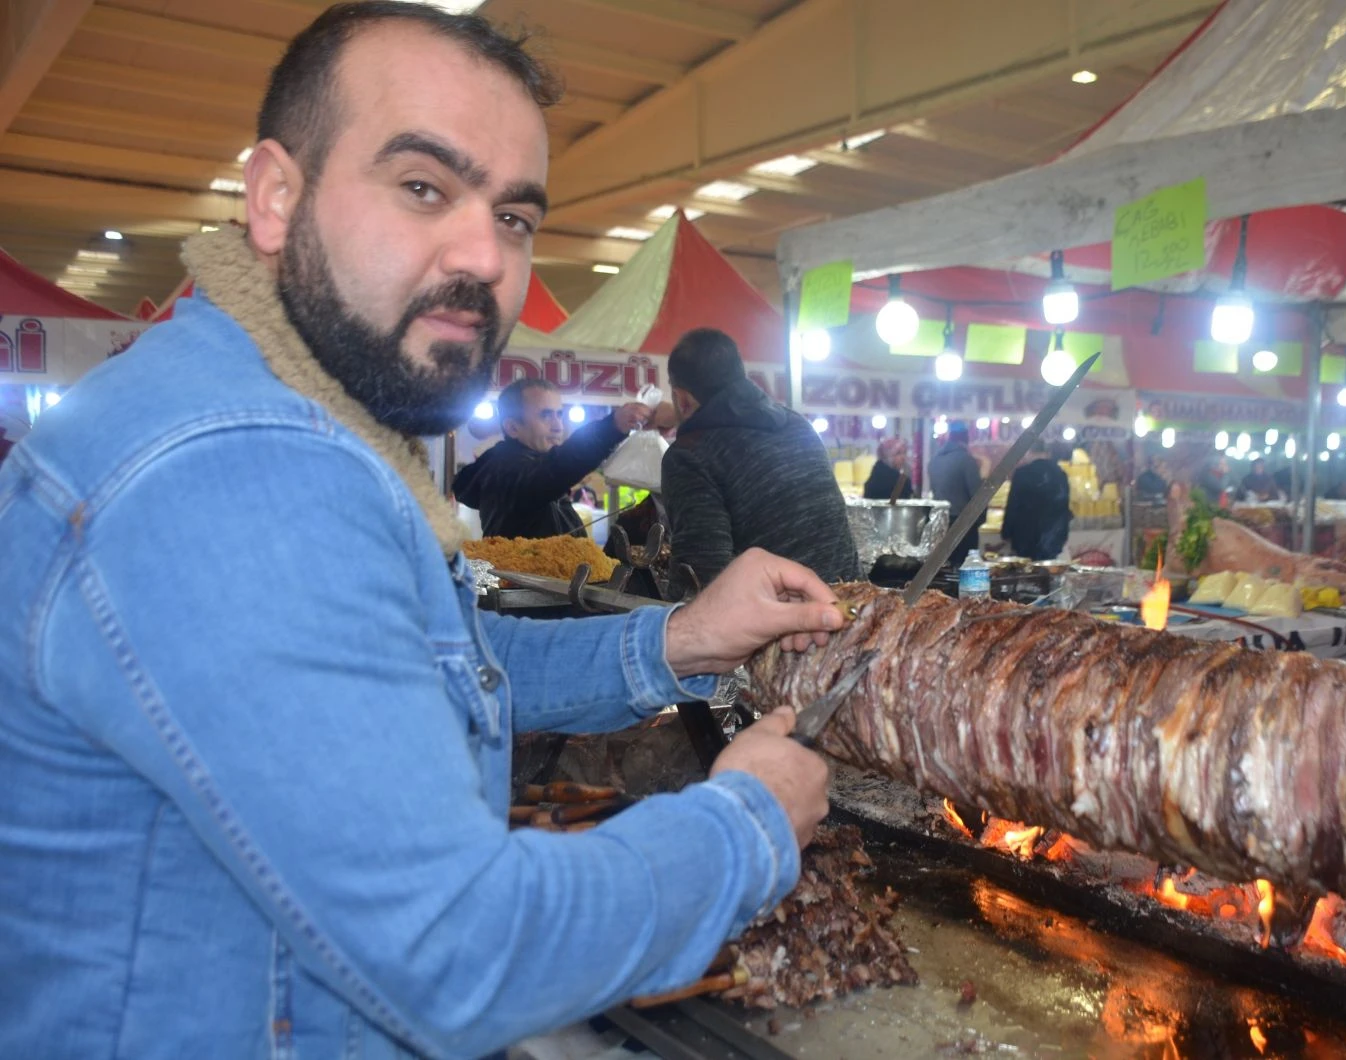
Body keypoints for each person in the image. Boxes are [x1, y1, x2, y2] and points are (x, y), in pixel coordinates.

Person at [0, 7, 843, 1058]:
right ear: (275, 197)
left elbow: (427, 671)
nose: (482, 256)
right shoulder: (235, 465)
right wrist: (745, 824)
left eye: (517, 217)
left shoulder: (306, 421)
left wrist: (677, 640)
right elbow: (454, 948)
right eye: (422, 188)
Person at [660, 327, 859, 596]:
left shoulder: (688, 455)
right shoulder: (797, 425)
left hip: (788, 626)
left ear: (682, 398)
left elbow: (700, 575)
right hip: (852, 606)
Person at [452, 377, 649, 538]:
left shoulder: (530, 463)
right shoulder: (504, 469)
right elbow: (556, 468)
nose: (558, 426)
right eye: (546, 416)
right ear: (513, 427)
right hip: (525, 586)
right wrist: (612, 426)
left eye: (559, 415)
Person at [1000, 439, 1072, 560]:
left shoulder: (1022, 473)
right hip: (1052, 535)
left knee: (1027, 572)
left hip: (1025, 535)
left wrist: (1006, 531)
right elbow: (1064, 506)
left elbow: (1013, 505)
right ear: (1047, 452)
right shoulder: (1060, 474)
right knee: (1048, 572)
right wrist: (1063, 534)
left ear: (1029, 452)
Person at [931, 422, 983, 562]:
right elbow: (978, 496)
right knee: (964, 569)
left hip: (941, 523)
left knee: (944, 567)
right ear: (965, 439)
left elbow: (934, 490)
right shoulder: (966, 460)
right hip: (963, 524)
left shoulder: (935, 460)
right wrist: (979, 520)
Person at [862, 435, 910, 500]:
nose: (903, 458)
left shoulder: (876, 471)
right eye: (898, 453)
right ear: (886, 455)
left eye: (904, 453)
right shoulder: (898, 480)